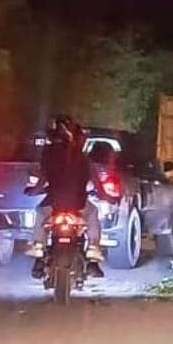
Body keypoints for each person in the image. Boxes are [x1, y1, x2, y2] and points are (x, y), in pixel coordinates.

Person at [24, 115, 105, 279]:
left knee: (40, 212)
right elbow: (98, 186)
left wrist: (32, 191)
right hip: (79, 205)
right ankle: (93, 253)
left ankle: (39, 249)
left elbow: (41, 181)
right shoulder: (83, 158)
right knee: (93, 213)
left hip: (53, 204)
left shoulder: (48, 156)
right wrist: (109, 197)